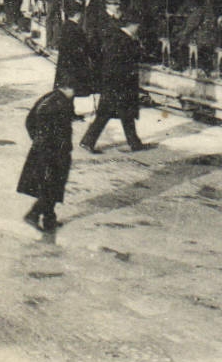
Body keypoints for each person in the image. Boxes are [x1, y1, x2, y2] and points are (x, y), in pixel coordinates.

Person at [80, 19, 147, 154]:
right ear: (132, 25)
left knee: (122, 114)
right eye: (137, 25)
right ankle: (88, 141)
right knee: (114, 114)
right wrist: (138, 46)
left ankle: (134, 142)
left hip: (113, 83)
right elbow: (132, 58)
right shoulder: (125, 40)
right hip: (120, 84)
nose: (138, 28)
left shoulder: (115, 36)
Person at [18, 82, 77, 232]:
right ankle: (34, 214)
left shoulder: (51, 98)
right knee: (52, 186)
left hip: (45, 149)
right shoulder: (59, 103)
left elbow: (29, 120)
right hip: (54, 152)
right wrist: (47, 144)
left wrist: (37, 139)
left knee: (50, 185)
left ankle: (49, 220)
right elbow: (56, 131)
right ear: (67, 88)